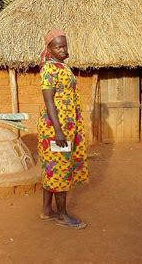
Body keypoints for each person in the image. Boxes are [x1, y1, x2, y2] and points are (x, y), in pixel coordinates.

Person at [37, 29, 88, 229]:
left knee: (52, 167)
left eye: (65, 45)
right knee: (59, 168)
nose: (63, 49)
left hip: (64, 126)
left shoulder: (62, 67)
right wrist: (58, 131)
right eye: (58, 46)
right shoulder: (50, 70)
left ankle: (46, 210)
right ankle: (62, 215)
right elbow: (49, 101)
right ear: (49, 49)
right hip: (55, 128)